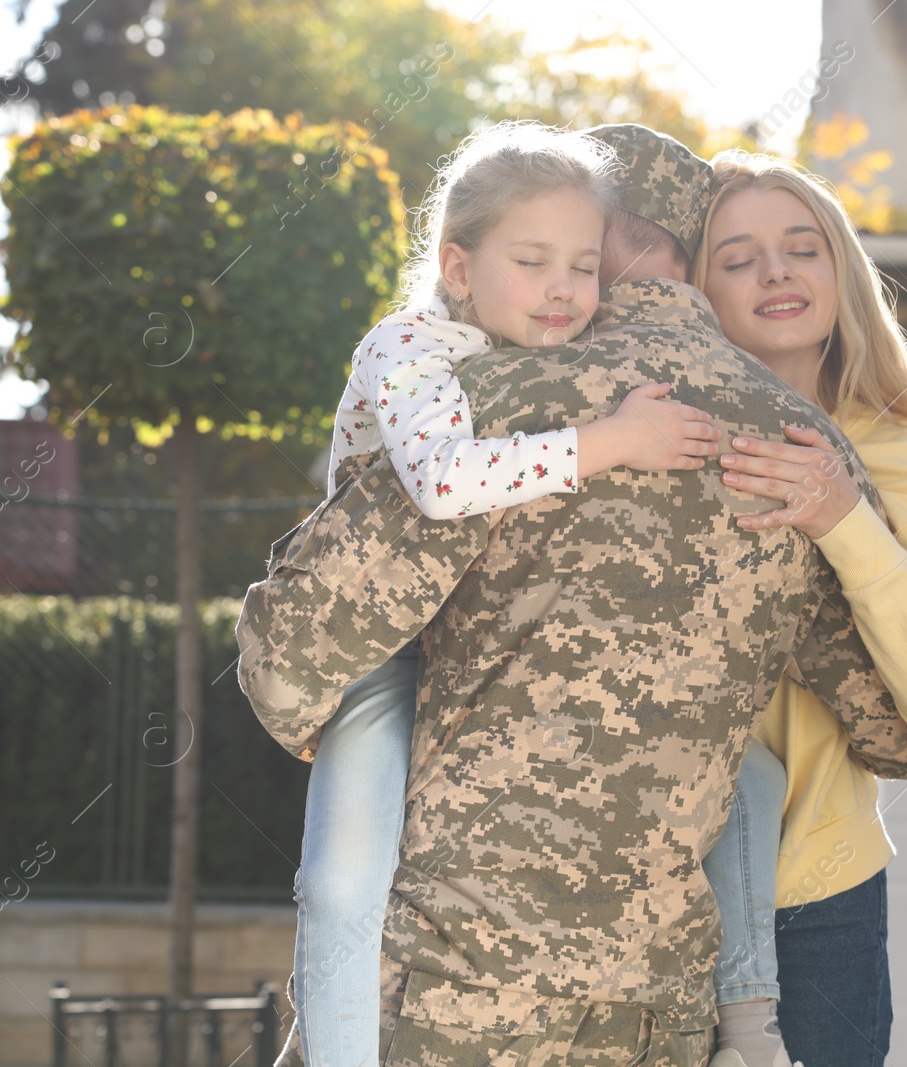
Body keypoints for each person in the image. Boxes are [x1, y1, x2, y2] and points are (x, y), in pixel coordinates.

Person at [238, 124, 907, 1066]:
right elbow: (904, 732)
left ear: (603, 237)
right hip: (652, 1010)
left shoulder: (488, 398)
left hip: (452, 991)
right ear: (692, 254)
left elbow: (286, 664)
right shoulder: (797, 446)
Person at [295, 121, 721, 1067]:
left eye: (583, 264)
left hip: (484, 641)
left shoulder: (543, 357)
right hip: (387, 646)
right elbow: (445, 481)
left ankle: (753, 1020)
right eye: (532, 261)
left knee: (754, 779)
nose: (565, 288)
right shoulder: (410, 345)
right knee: (343, 876)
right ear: (457, 266)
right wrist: (611, 441)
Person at [694, 153, 907, 1067]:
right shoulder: (653, 433)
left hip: (816, 907)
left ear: (842, 273)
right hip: (646, 893)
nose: (778, 272)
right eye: (739, 256)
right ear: (692, 287)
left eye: (803, 247)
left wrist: (845, 520)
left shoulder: (904, 450)